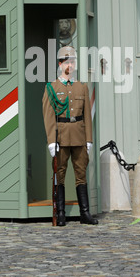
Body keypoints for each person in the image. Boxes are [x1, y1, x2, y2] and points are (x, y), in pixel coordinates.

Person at [42, 45, 98, 226]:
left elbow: (87, 116)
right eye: (66, 62)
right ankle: (61, 214)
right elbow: (49, 116)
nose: (69, 65)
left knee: (81, 174)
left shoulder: (81, 87)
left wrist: (88, 139)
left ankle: (85, 213)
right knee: (60, 174)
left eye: (72, 62)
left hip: (79, 135)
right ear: (60, 64)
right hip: (61, 137)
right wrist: (51, 141)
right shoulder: (52, 87)